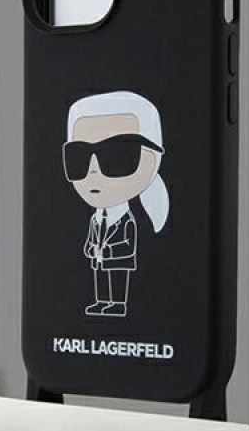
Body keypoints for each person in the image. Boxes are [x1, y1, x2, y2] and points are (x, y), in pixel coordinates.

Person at [62, 91, 169, 317]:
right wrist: (91, 249)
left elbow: (128, 245)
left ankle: (118, 304)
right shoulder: (95, 218)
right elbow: (91, 238)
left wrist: (108, 250)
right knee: (101, 280)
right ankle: (102, 302)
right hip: (100, 260)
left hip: (118, 261)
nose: (94, 171)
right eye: (78, 157)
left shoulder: (126, 220)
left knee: (118, 281)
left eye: (118, 155)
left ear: (153, 159)